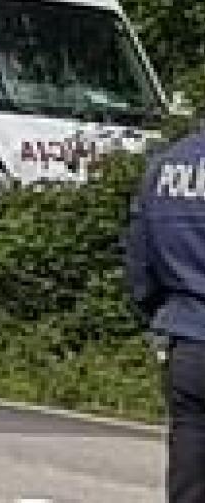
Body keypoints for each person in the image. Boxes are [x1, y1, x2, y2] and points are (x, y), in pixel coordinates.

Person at [124, 127, 205, 503]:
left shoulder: (166, 165)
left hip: (188, 338)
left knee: (190, 462)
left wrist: (158, 311)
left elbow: (141, 261)